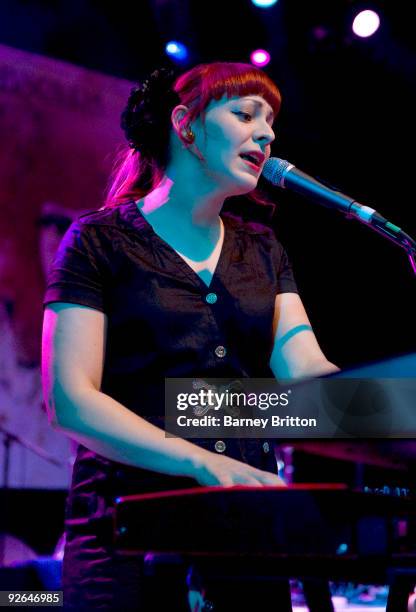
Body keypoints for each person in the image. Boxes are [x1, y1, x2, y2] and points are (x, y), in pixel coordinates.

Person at [41, 62, 338, 611]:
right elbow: (71, 400)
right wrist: (202, 460)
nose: (267, 133)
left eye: (271, 121)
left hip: (247, 539)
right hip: (125, 539)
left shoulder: (264, 250)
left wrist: (394, 403)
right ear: (186, 126)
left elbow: (310, 381)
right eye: (246, 114)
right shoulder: (98, 242)